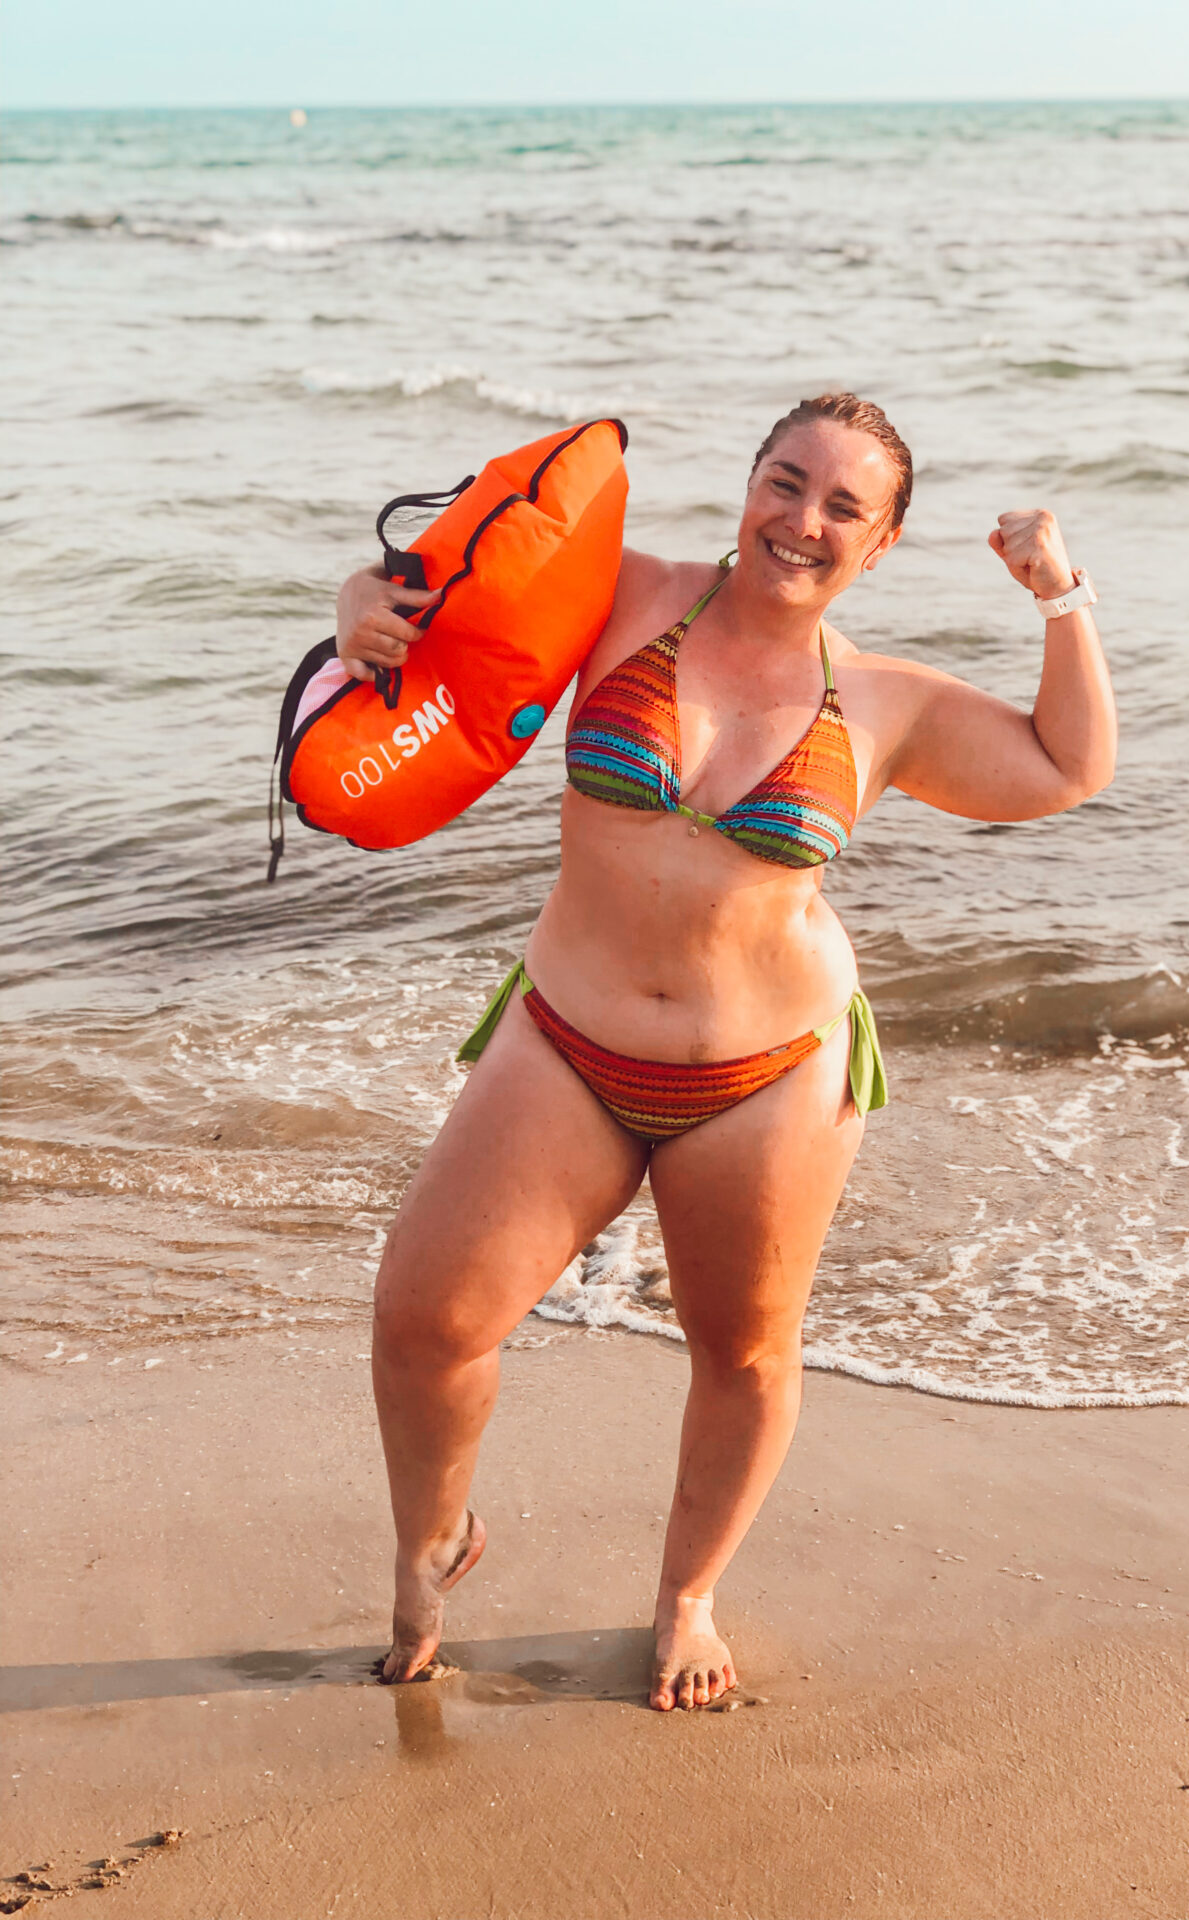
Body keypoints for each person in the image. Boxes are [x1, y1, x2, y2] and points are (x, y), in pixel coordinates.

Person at [334, 393, 1117, 1711]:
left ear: (883, 544)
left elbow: (1067, 765)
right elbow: (425, 583)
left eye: (843, 507)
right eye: (784, 481)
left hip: (769, 1074)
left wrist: (1061, 595)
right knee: (427, 1322)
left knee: (743, 1355)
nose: (802, 520)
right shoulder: (622, 596)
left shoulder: (886, 703)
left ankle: (687, 1596)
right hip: (567, 1036)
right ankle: (430, 1548)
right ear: (748, 485)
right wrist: (360, 603)